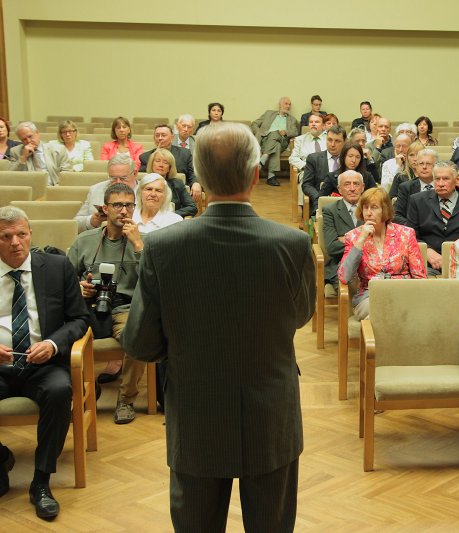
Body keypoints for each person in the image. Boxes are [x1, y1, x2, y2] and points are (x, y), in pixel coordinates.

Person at [122, 122, 314, 532]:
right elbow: (300, 315)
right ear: (257, 175)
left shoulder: (162, 247)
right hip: (271, 413)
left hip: (196, 415)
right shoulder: (292, 244)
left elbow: (139, 341)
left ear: (200, 181)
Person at [0, 206, 89, 520]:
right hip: (1, 366)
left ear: (30, 234)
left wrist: (53, 344)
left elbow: (79, 319)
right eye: (6, 236)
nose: (15, 242)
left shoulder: (56, 266)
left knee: (60, 390)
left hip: (44, 365)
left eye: (21, 234)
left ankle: (40, 481)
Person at [67, 183, 146, 424]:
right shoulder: (85, 241)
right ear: (105, 208)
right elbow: (64, 282)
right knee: (59, 335)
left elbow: (157, 280)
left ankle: (126, 400)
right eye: (117, 205)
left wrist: (138, 245)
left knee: (138, 337)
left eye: (129, 205)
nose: (123, 211)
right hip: (89, 305)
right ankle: (81, 392)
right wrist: (80, 287)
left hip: (125, 308)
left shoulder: (144, 242)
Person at [338, 187, 426, 320]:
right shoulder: (353, 236)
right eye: (365, 207)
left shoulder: (406, 234)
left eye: (374, 207)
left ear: (385, 210)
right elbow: (344, 276)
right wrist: (361, 240)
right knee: (382, 311)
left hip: (403, 294)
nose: (368, 213)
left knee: (404, 310)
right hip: (370, 297)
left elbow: (419, 277)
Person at [407, 161, 459, 275]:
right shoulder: (417, 201)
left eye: (446, 179)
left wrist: (457, 258)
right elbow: (410, 235)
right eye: (437, 179)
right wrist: (427, 251)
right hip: (426, 263)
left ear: (457, 180)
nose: (440, 183)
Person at [322, 171, 365, 297]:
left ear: (362, 187)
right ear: (339, 189)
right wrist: (363, 240)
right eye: (347, 184)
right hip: (341, 265)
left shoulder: (371, 207)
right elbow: (332, 247)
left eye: (356, 184)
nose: (352, 188)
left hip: (371, 264)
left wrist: (345, 239)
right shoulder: (330, 210)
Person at [74, 154, 139, 234]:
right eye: (113, 178)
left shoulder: (147, 191)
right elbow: (76, 223)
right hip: (99, 239)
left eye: (123, 178)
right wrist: (91, 221)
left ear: (135, 173)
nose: (118, 182)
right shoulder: (96, 190)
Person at [139, 124, 200, 201]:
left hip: (178, 193)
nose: (160, 138)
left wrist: (196, 183)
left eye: (163, 135)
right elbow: (142, 178)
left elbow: (192, 173)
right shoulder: (146, 157)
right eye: (157, 135)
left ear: (172, 137)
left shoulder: (184, 153)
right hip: (154, 193)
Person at [250, 96, 299, 186]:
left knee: (275, 134)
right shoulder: (268, 113)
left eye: (289, 104)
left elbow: (295, 132)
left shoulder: (292, 119)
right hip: (265, 140)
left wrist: (286, 132)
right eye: (286, 103)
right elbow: (254, 124)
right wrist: (260, 133)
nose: (288, 106)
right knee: (276, 145)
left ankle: (261, 161)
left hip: (282, 140)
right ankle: (271, 177)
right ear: (279, 105)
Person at [301, 124, 346, 214]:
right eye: (330, 140)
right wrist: (320, 198)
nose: (332, 144)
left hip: (345, 205)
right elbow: (307, 184)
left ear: (344, 142)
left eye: (337, 141)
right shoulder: (314, 159)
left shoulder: (349, 159)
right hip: (319, 205)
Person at [145, 148, 198, 218]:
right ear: (151, 164)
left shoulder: (178, 184)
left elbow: (192, 207)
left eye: (165, 162)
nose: (161, 165)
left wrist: (171, 215)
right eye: (157, 161)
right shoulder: (144, 183)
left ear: (169, 168)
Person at [393, 149, 437, 226]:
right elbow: (396, 215)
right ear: (416, 166)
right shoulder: (406, 187)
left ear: (436, 166)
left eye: (428, 164)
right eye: (421, 163)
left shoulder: (443, 186)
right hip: (414, 232)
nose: (424, 167)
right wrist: (413, 227)